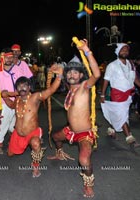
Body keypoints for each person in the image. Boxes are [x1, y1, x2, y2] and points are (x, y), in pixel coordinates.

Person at [47, 39, 100, 198]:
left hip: (84, 133)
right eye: (69, 72)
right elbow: (60, 76)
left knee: (84, 159)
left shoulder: (85, 87)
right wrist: (56, 72)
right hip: (70, 130)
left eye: (75, 72)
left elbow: (97, 74)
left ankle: (88, 185)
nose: (71, 74)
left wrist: (87, 51)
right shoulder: (70, 88)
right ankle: (59, 153)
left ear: (82, 75)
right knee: (55, 136)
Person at [1, 64, 63, 178]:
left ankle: (35, 166)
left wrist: (59, 76)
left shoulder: (35, 97)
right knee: (10, 154)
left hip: (32, 132)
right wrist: (5, 97)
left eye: (24, 86)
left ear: (29, 87)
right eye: (19, 87)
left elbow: (51, 90)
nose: (22, 88)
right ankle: (20, 146)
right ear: (16, 89)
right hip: (18, 133)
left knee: (35, 143)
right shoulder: (18, 100)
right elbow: (10, 105)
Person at [100, 43, 140, 146]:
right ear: (118, 52)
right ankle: (129, 137)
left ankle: (111, 129)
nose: (125, 52)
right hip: (117, 94)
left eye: (126, 50)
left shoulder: (130, 64)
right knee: (122, 116)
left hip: (129, 95)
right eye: (123, 50)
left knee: (121, 115)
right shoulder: (112, 65)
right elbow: (106, 81)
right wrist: (102, 95)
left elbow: (134, 79)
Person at [0, 47, 32, 154]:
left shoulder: (17, 69)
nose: (9, 59)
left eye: (11, 57)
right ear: (2, 58)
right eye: (7, 57)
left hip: (18, 100)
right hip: (3, 101)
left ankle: (19, 139)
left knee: (16, 123)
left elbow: (25, 83)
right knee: (4, 122)